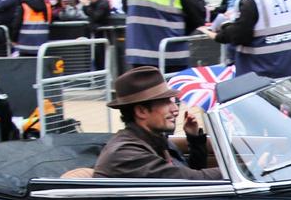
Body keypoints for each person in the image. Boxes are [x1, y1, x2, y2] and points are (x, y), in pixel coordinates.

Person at [93, 66, 223, 180]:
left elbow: (188, 172)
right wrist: (240, 170)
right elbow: (191, 180)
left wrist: (194, 138)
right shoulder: (126, 154)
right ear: (141, 111)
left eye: (173, 101)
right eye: (166, 103)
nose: (175, 109)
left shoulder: (154, 139)